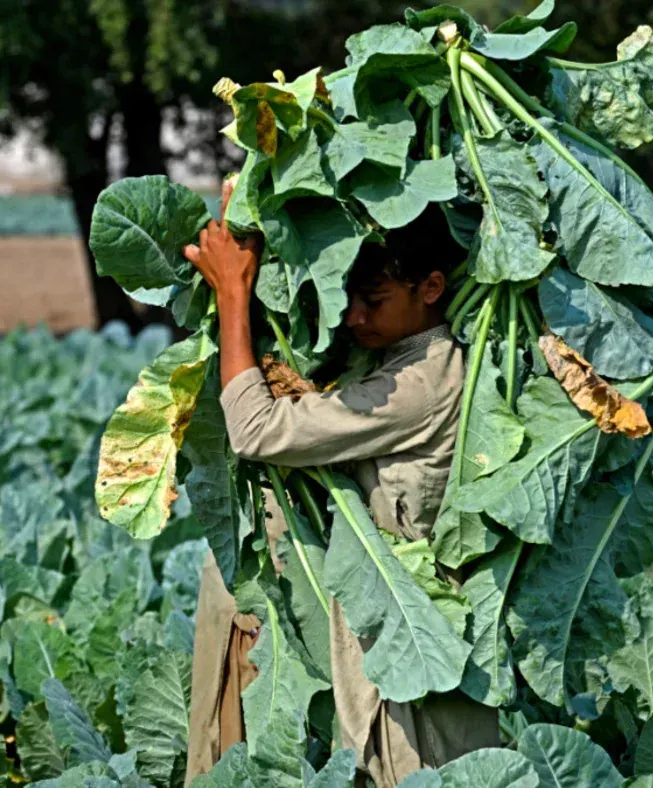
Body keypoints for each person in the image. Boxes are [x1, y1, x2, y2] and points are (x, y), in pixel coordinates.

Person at [180, 181, 500, 787]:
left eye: (373, 301)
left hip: (408, 664)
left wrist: (232, 295)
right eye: (348, 299)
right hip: (379, 640)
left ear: (432, 288)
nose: (353, 318)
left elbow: (254, 430)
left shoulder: (423, 383)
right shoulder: (380, 357)